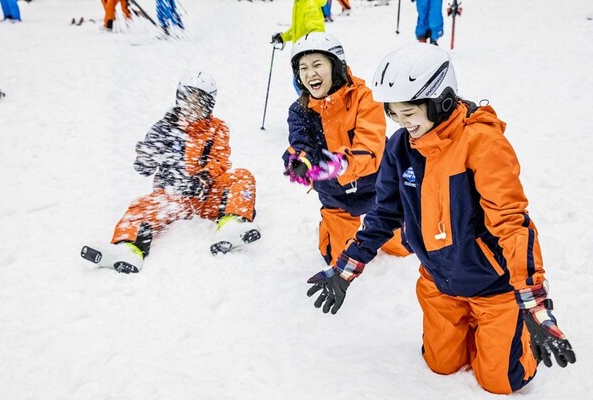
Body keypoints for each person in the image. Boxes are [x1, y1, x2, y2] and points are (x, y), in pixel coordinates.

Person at [306, 43, 576, 394]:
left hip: (493, 287)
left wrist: (534, 305)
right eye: (395, 116)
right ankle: (470, 328)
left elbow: (512, 223)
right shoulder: (401, 147)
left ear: (441, 101)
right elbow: (385, 213)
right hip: (439, 281)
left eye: (409, 113)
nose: (403, 125)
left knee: (501, 382)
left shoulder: (482, 144)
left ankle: (513, 327)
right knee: (440, 366)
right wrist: (347, 268)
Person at [81, 71, 259, 273]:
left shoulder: (217, 128)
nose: (192, 106)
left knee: (242, 177)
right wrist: (146, 159)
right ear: (179, 98)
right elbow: (144, 167)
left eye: (199, 102)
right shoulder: (164, 128)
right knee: (140, 207)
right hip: (173, 199)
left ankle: (231, 225)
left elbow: (219, 159)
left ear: (209, 105)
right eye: (188, 99)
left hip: (206, 197)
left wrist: (203, 178)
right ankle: (127, 248)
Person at [283, 32, 410, 267]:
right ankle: (336, 227)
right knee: (337, 257)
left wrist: (341, 163)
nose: (310, 73)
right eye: (303, 68)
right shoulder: (300, 110)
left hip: (377, 188)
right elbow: (300, 143)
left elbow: (371, 146)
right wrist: (300, 162)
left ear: (336, 66)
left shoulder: (363, 98)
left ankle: (394, 225)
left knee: (404, 247)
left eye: (317, 64)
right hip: (335, 194)